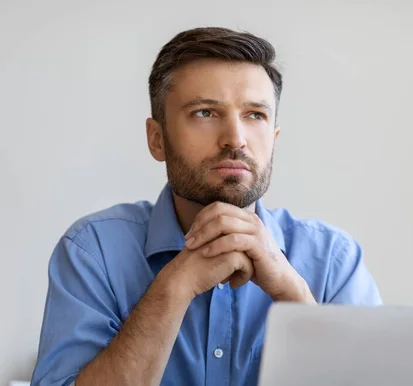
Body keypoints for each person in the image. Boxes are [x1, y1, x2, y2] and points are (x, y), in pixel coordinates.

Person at [31, 27, 381, 386]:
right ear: (157, 139)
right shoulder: (93, 251)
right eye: (204, 113)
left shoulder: (334, 262)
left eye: (256, 115)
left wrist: (292, 295)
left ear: (274, 140)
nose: (235, 139)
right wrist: (175, 286)